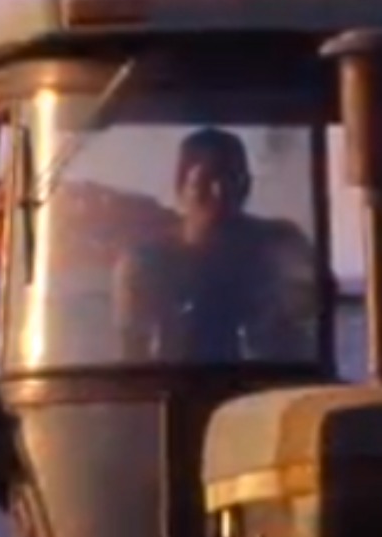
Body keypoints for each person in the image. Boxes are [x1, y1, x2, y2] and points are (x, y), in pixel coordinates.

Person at [112, 126, 319, 363]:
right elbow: (132, 360)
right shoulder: (146, 264)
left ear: (247, 185)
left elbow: (312, 309)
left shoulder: (280, 244)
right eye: (206, 181)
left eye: (231, 179)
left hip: (270, 392)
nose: (220, 193)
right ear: (181, 188)